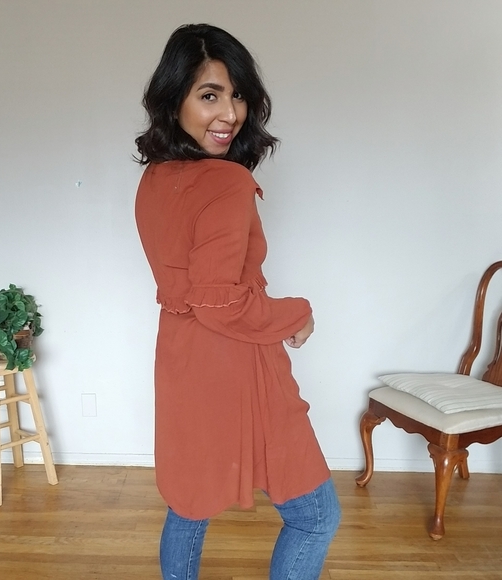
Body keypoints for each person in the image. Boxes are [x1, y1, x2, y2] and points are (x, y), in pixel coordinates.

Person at [134, 23, 340, 580]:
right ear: (173, 100)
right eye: (209, 95)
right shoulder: (225, 184)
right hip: (240, 365)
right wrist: (298, 311)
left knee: (189, 504)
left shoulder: (155, 179)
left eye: (238, 95)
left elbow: (196, 293)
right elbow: (221, 304)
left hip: (182, 361)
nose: (230, 113)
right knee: (316, 517)